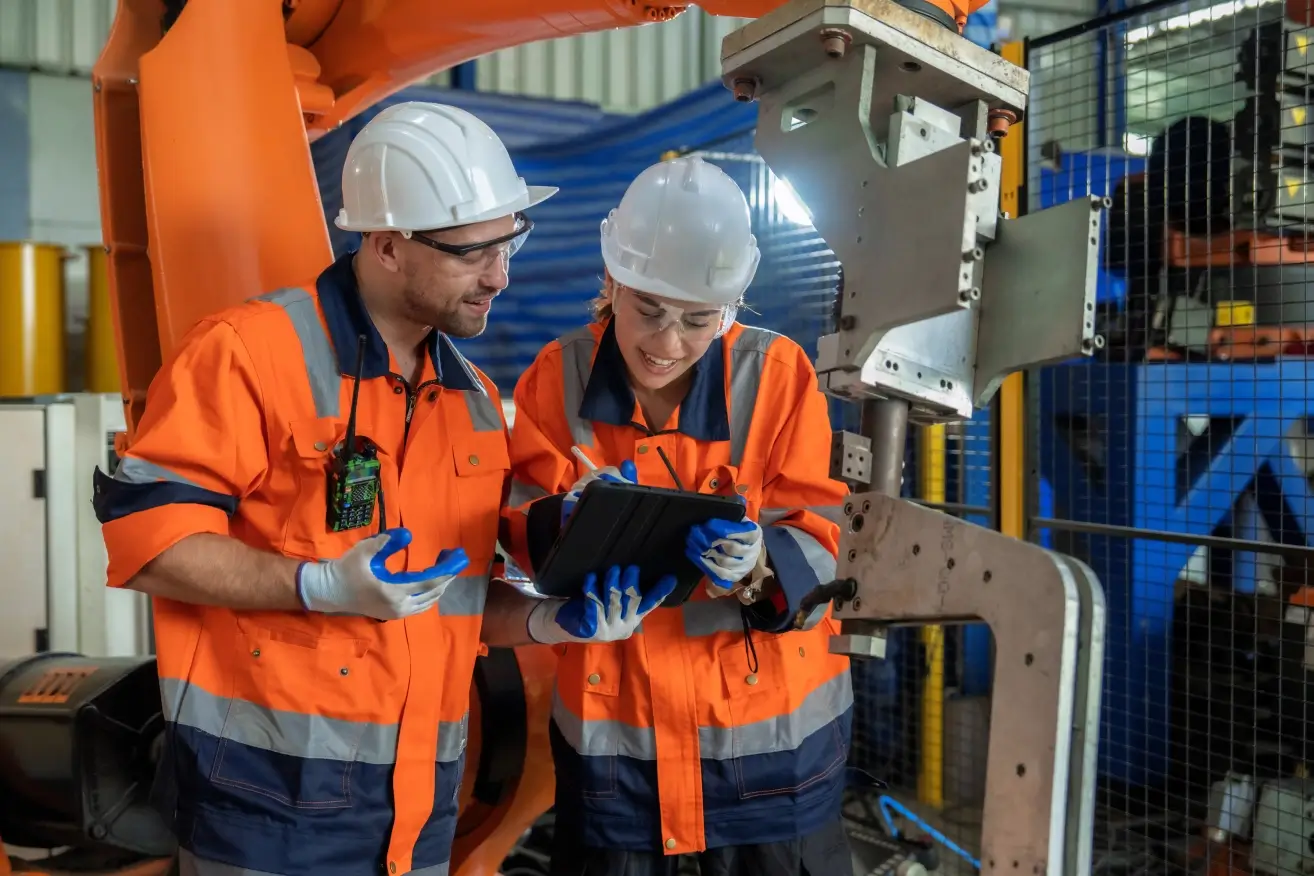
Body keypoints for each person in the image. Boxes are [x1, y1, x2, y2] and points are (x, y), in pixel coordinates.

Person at [92, 101, 669, 876]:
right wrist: (316, 585)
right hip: (266, 812)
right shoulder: (248, 353)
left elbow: (452, 601)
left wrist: (552, 623)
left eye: (511, 242)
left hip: (420, 816)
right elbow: (149, 543)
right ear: (388, 246)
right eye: (473, 253)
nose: (501, 275)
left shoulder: (467, 400)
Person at [502, 154, 854, 876]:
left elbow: (824, 533)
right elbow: (516, 530)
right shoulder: (555, 376)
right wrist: (560, 522)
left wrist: (761, 565)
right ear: (612, 283)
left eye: (697, 320)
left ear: (731, 306)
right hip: (615, 758)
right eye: (647, 310)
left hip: (768, 750)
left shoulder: (777, 375)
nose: (666, 344)